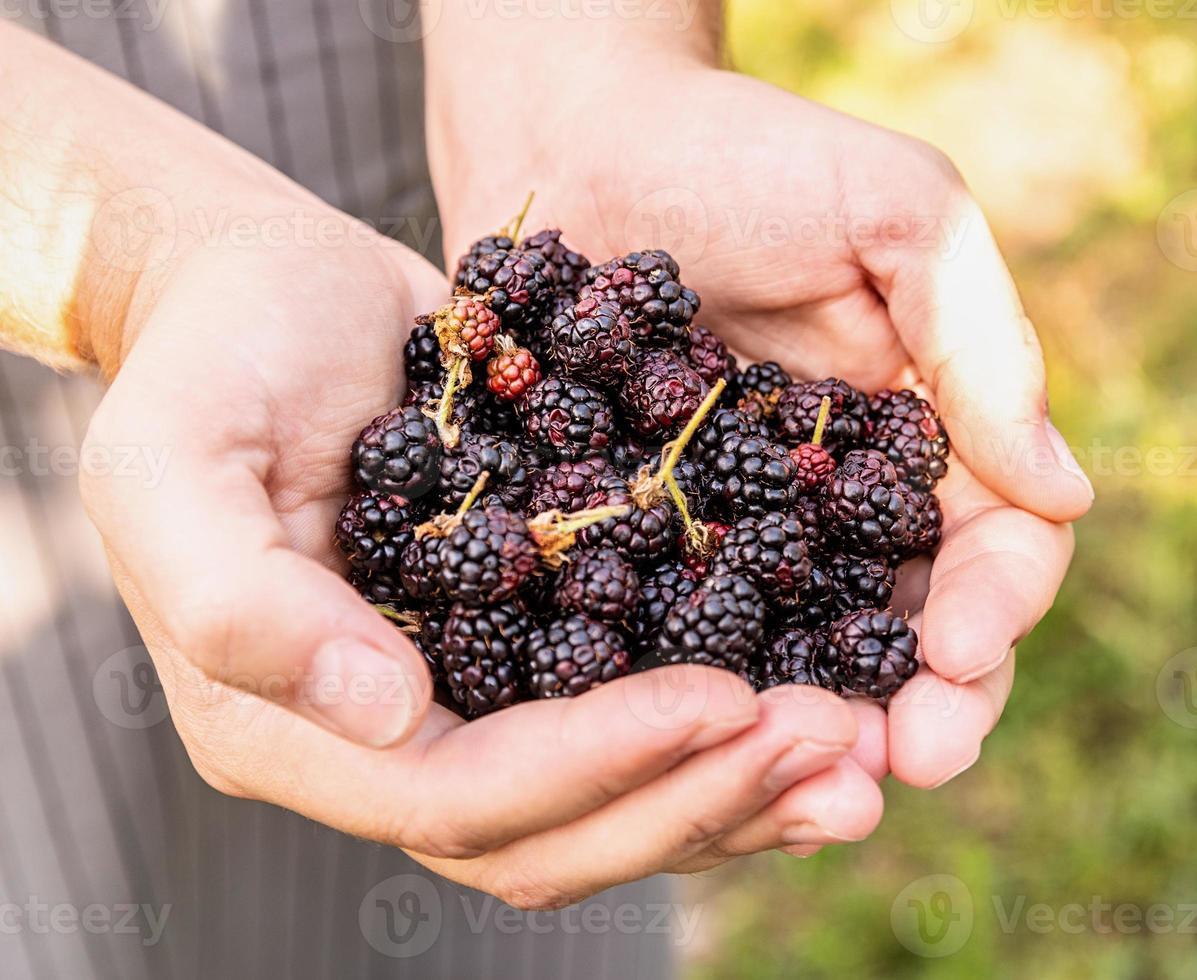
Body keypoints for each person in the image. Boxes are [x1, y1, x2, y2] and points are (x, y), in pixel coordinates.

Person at [0, 2, 1091, 975]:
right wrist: (137, 258)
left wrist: (592, 79)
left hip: (378, 119)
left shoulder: (603, 448)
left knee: (529, 823)